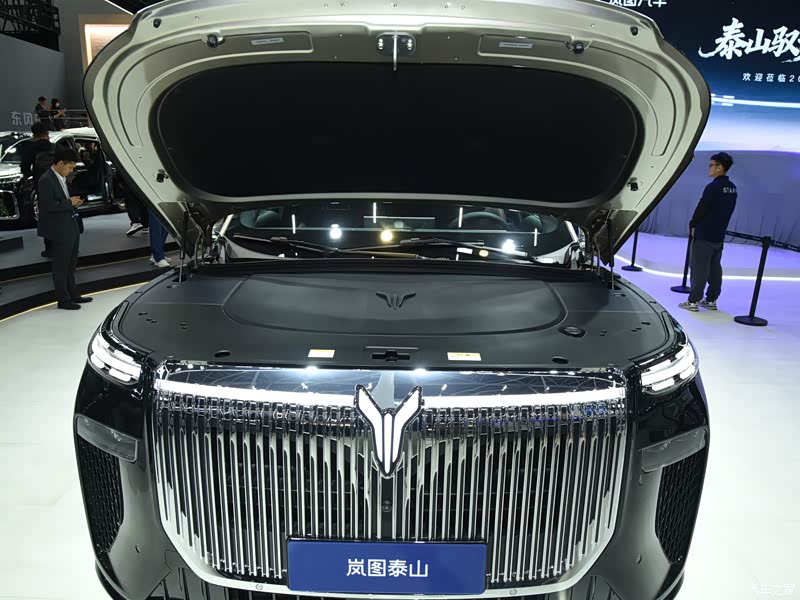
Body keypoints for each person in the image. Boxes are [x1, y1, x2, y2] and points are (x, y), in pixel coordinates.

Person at [679, 152, 737, 313]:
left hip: (704, 234)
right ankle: (711, 299)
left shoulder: (713, 187)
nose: (709, 168)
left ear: (720, 167)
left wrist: (693, 223)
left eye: (711, 165)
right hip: (719, 234)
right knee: (714, 267)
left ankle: (693, 301)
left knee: (699, 268)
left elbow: (702, 207)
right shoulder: (732, 188)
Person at [37, 146, 93, 310]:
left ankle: (73, 294)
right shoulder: (46, 180)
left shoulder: (60, 177)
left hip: (69, 224)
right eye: (70, 167)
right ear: (60, 163)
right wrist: (70, 203)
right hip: (59, 228)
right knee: (61, 266)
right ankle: (63, 299)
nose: (71, 171)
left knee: (71, 263)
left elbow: (60, 201)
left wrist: (72, 203)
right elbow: (48, 205)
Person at [20, 122, 55, 257]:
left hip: (42, 185)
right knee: (62, 213)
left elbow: (24, 167)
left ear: (34, 134)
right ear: (47, 133)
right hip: (59, 185)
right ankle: (65, 244)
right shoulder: (56, 147)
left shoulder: (30, 148)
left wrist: (32, 176)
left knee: (46, 216)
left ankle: (50, 248)